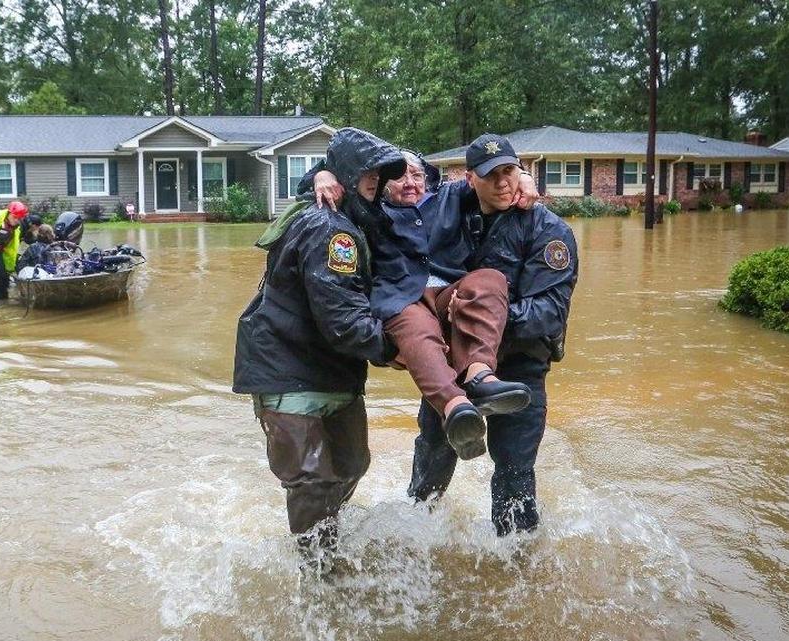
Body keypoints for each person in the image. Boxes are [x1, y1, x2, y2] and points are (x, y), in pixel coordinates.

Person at [233, 127, 405, 571]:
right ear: (347, 175)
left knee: (351, 465)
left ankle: (324, 544)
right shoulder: (332, 231)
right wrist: (396, 349)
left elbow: (432, 193)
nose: (377, 181)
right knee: (312, 481)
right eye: (369, 172)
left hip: (333, 373)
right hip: (287, 369)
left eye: (381, 174)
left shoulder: (360, 216)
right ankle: (319, 580)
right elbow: (343, 321)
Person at [302, 152, 538, 460]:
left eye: (417, 175)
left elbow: (488, 178)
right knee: (416, 325)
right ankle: (456, 407)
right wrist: (321, 175)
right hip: (402, 297)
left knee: (490, 280)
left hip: (448, 293)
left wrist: (525, 177)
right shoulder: (370, 209)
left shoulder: (449, 197)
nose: (411, 183)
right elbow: (325, 182)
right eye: (401, 176)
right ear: (383, 182)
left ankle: (480, 376)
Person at [408, 134, 578, 536]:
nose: (503, 183)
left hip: (520, 370)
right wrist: (322, 176)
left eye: (510, 171)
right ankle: (416, 538)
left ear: (522, 171)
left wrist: (473, 316)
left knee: (515, 472)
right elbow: (392, 182)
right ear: (470, 179)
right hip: (453, 371)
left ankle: (515, 564)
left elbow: (550, 313)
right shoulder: (447, 207)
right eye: (491, 175)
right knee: (431, 458)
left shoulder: (548, 231)